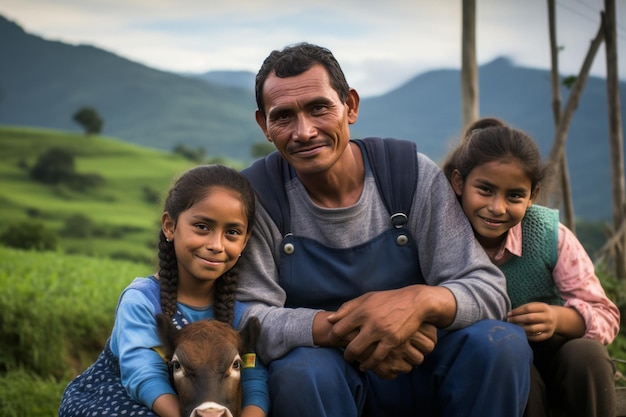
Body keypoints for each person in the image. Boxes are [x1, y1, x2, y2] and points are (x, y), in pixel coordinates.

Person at [236, 42, 532, 417]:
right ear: (264, 125)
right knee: (300, 373)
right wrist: (349, 328)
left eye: (319, 108)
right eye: (283, 116)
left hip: (424, 364)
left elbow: (486, 289)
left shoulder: (408, 175)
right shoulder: (259, 198)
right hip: (328, 379)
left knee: (500, 344)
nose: (304, 131)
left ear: (351, 106)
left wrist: (419, 302)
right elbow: (247, 316)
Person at [442, 117, 620, 417]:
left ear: (532, 196)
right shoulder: (442, 236)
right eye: (485, 190)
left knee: (587, 355)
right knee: (509, 360)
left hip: (557, 360)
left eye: (514, 196)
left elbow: (606, 314)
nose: (497, 207)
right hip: (492, 367)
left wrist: (558, 318)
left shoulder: (550, 235)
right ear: (459, 183)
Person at [58, 164, 269, 417]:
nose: (216, 245)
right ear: (170, 226)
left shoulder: (240, 311)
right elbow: (142, 372)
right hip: (124, 404)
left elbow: (254, 374)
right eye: (202, 227)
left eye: (232, 232)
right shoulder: (142, 301)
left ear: (245, 241)